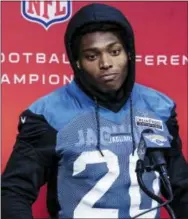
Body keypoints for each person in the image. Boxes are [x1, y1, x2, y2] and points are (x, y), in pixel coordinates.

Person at [2, 3, 188, 219]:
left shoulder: (159, 107)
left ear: (129, 53)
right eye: (92, 56)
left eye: (115, 51)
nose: (106, 63)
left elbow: (180, 186)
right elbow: (14, 191)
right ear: (77, 62)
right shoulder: (48, 115)